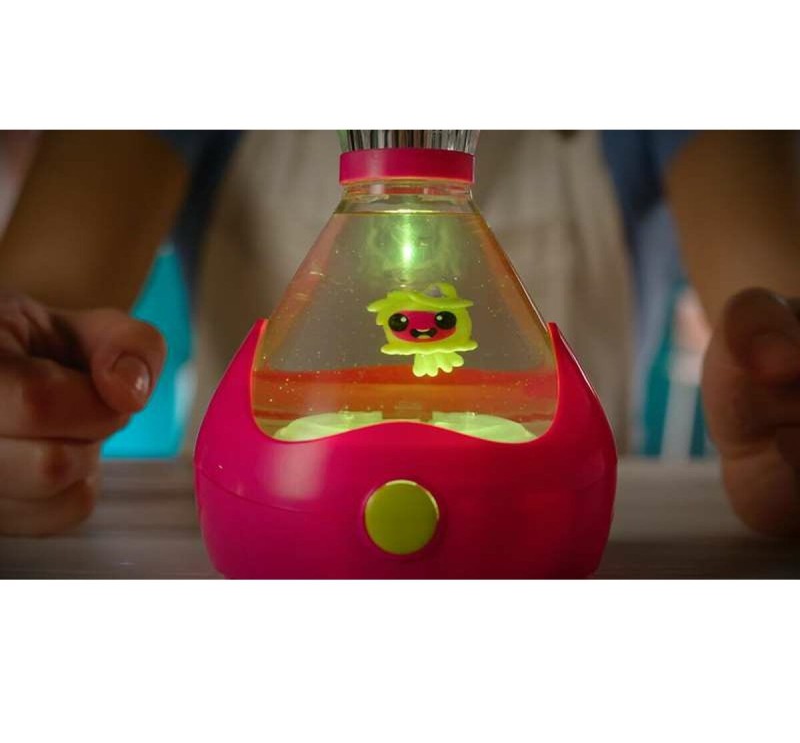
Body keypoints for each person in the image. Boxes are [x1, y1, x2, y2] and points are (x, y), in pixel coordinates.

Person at [0, 131, 798, 537]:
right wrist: (32, 397)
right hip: (265, 543)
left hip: (540, 543)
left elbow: (776, 306)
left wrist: (777, 400)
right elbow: (40, 312)